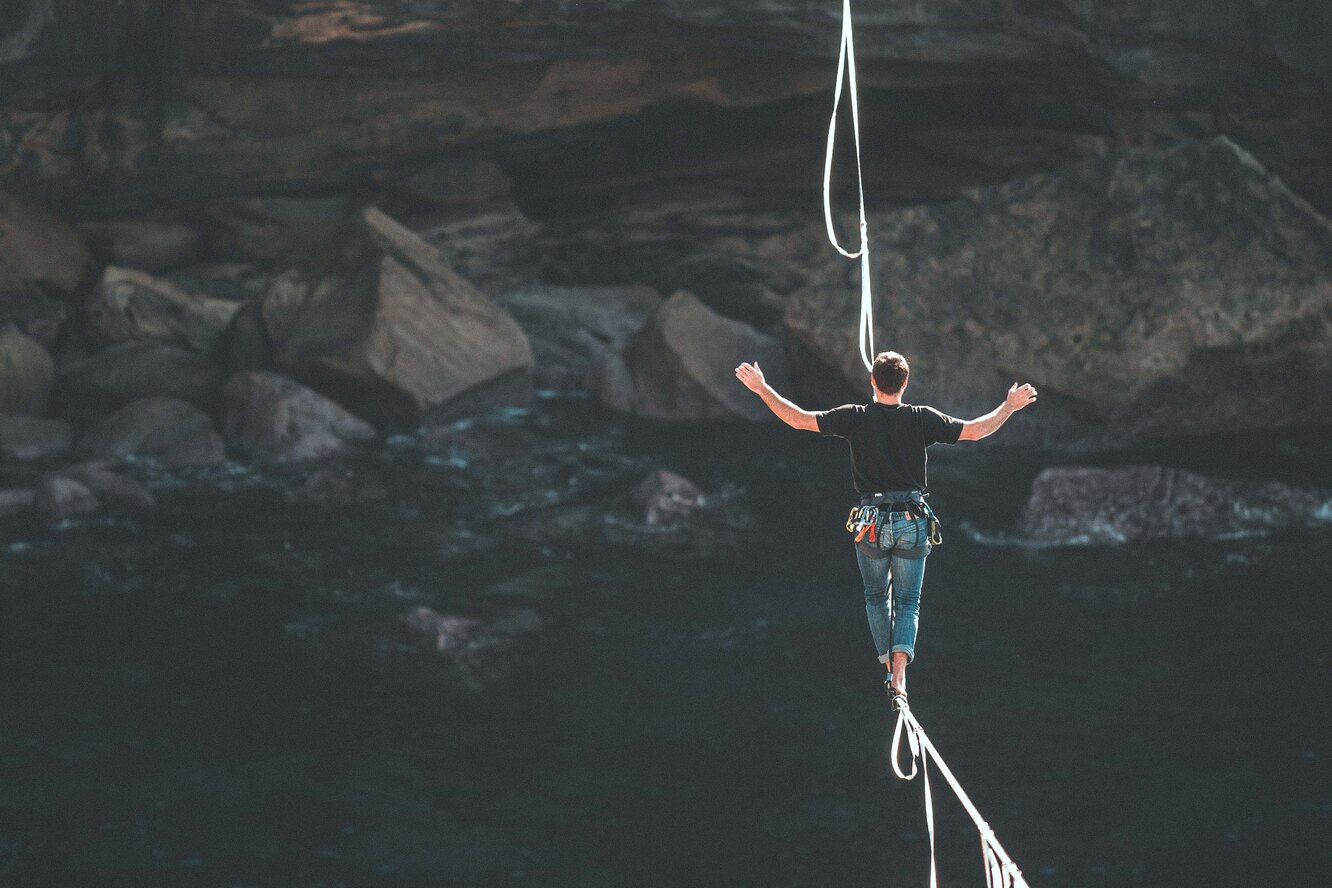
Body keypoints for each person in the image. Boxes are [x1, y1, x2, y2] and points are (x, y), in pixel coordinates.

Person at [735, 351, 1036, 698]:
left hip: (871, 522)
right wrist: (1010, 406)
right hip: (912, 519)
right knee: (908, 602)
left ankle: (887, 666)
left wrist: (761, 388)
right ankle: (900, 674)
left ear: (872, 382)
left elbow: (799, 419)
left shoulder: (855, 417)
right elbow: (976, 431)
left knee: (877, 597)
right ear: (905, 383)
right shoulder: (923, 418)